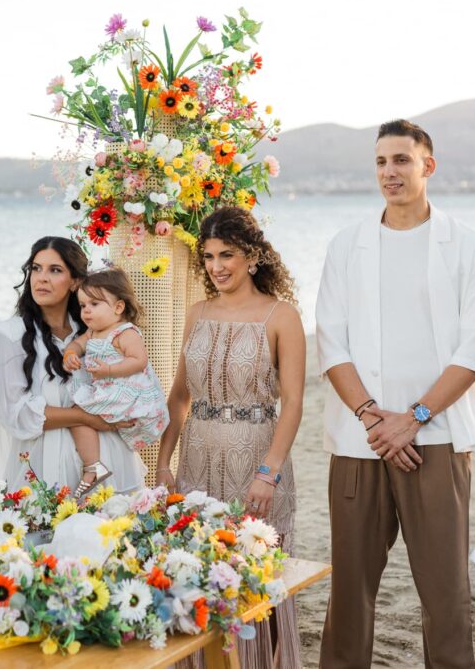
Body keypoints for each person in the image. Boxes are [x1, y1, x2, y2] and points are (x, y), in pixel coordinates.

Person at [316, 120, 475, 668]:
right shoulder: (346, 245)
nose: (389, 172)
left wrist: (413, 417)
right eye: (380, 162)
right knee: (350, 591)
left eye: (401, 160)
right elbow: (331, 340)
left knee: (445, 592)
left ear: (427, 166)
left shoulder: (467, 245)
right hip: (360, 441)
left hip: (436, 440)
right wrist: (373, 417)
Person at [156, 206, 306, 668]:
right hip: (196, 460)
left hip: (256, 459)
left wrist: (268, 472)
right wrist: (162, 463)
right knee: (196, 572)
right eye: (208, 257)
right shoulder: (197, 313)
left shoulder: (282, 316)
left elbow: (293, 403)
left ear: (253, 257)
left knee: (257, 579)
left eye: (227, 255)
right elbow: (179, 396)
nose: (216, 266)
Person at [0, 236, 145, 493]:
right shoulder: (7, 335)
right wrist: (86, 417)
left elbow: (131, 383)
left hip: (110, 461)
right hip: (42, 469)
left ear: (75, 282)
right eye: (36, 268)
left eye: (55, 270)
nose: (41, 278)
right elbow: (16, 414)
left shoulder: (96, 332)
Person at [61, 268, 169, 497]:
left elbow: (139, 361)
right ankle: (93, 465)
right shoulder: (92, 332)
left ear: (118, 307)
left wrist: (109, 370)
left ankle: (92, 467)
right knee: (78, 416)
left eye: (94, 304)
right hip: (107, 389)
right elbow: (77, 345)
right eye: (82, 305)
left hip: (125, 391)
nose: (86, 310)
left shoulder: (124, 333)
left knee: (76, 413)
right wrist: (69, 354)